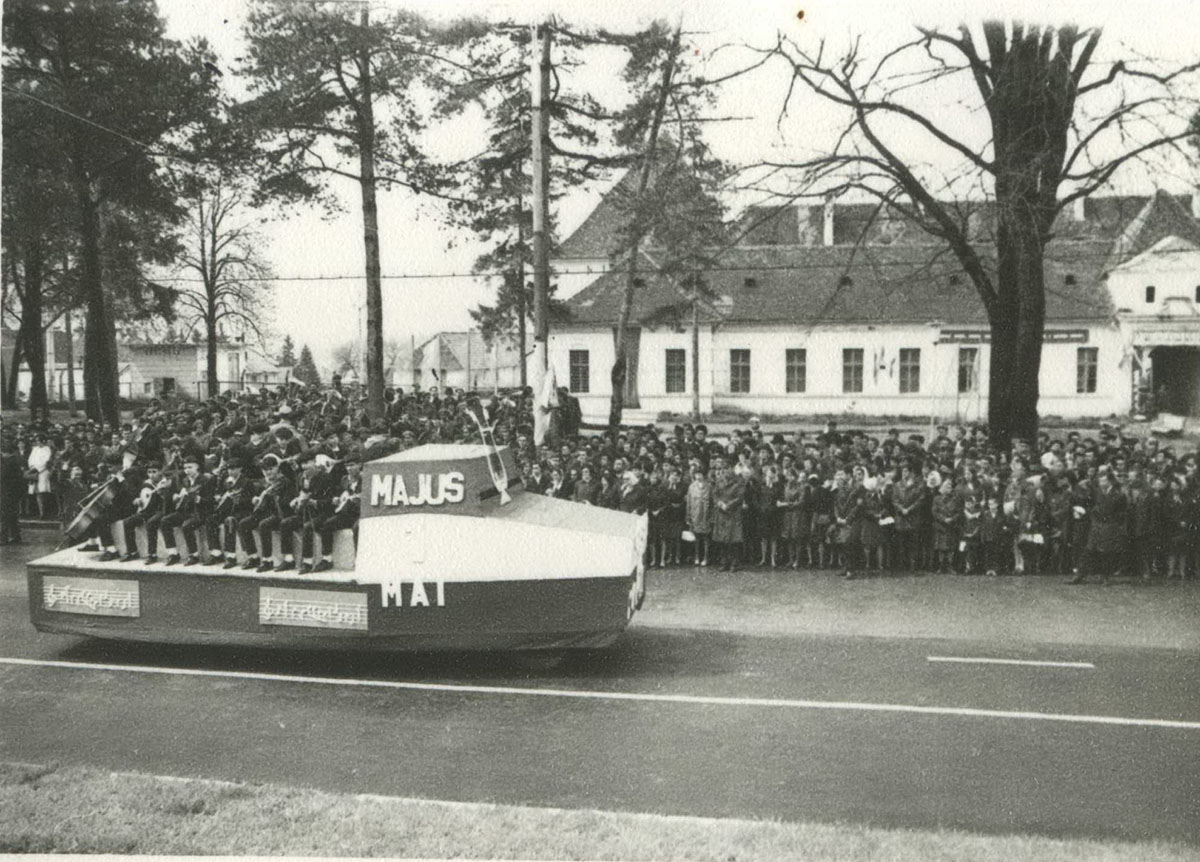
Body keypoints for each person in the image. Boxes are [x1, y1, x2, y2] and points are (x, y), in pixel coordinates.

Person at [159, 453, 218, 565]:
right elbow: (181, 498)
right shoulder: (185, 480)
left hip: (201, 512)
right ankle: (173, 553)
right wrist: (177, 497)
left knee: (187, 525)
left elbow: (211, 501)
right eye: (185, 468)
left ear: (197, 467)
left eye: (190, 467)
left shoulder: (206, 479)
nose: (187, 470)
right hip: (187, 511)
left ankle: (193, 555)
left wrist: (198, 499)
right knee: (165, 521)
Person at [1072, 469, 1127, 585]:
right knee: (1089, 550)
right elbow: (1086, 499)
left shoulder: (1119, 495)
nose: (1101, 483)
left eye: (1103, 481)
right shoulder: (1097, 493)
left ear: (1110, 482)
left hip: (1109, 526)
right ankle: (1080, 575)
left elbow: (1121, 513)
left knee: (1106, 552)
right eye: (1100, 481)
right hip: (1096, 525)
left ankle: (1105, 576)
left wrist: (1114, 523)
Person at [711, 458, 746, 572]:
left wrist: (728, 505)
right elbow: (715, 494)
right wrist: (719, 503)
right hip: (721, 513)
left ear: (732, 468)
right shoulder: (719, 481)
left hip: (733, 513)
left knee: (734, 540)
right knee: (722, 540)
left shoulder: (739, 481)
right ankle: (724, 562)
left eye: (727, 468)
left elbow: (739, 497)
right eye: (723, 469)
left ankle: (735, 563)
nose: (725, 471)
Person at [685, 466, 713, 567]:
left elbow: (712, 502)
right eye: (696, 474)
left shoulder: (709, 487)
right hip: (695, 514)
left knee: (705, 537)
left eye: (700, 474)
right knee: (696, 537)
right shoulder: (691, 487)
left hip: (706, 515)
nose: (698, 476)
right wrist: (688, 516)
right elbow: (688, 502)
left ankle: (706, 557)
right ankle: (696, 557)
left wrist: (712, 517)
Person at [1, 438, 25, 544]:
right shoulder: (15, 461)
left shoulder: (8, 463)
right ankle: (15, 537)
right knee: (12, 516)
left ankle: (3, 538)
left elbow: (2, 477)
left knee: (5, 516)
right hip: (14, 493)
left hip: (7, 493)